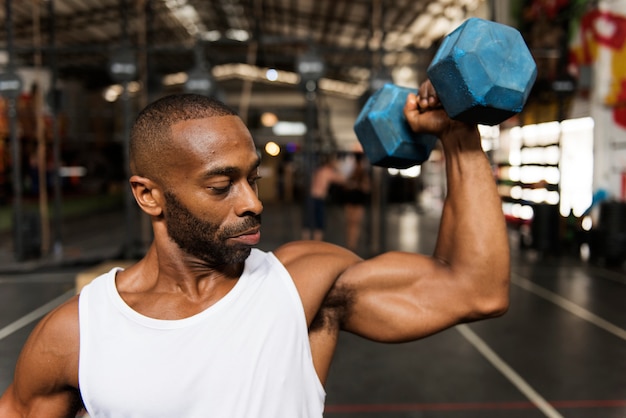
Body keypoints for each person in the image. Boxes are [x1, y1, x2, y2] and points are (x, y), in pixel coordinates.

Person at [0, 79, 510, 418]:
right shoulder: (77, 334)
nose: (252, 203)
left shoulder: (303, 285)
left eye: (253, 179)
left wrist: (457, 134)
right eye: (222, 186)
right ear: (148, 195)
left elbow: (476, 289)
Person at [301, 153, 345, 241]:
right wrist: (337, 169)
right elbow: (342, 180)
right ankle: (317, 243)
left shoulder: (319, 170)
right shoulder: (327, 171)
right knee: (318, 224)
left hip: (311, 197)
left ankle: (305, 242)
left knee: (308, 222)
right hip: (318, 199)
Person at [342, 152, 371, 252]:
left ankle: (352, 246)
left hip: (358, 201)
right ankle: (349, 244)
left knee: (355, 224)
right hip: (350, 200)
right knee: (349, 224)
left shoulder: (363, 174)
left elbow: (367, 188)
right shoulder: (352, 173)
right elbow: (345, 185)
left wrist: (357, 185)